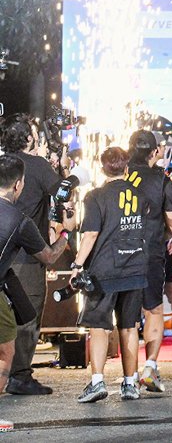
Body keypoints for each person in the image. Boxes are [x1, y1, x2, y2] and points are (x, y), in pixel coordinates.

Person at [73, 147, 149, 402]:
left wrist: (77, 265)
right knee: (129, 327)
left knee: (99, 327)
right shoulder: (139, 194)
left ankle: (97, 382)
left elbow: (90, 234)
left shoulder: (95, 196)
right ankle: (130, 383)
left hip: (104, 270)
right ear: (126, 168)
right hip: (135, 266)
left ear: (101, 168)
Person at [1, 116, 63, 396]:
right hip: (28, 254)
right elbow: (62, 192)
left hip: (4, 251)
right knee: (26, 314)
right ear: (29, 138)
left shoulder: (4, 162)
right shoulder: (35, 165)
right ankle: (20, 375)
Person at [125, 130, 172, 392]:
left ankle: (129, 376)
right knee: (153, 310)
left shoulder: (121, 174)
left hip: (121, 254)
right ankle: (150, 367)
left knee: (128, 317)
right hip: (150, 252)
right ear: (155, 151)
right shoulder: (161, 179)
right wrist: (166, 234)